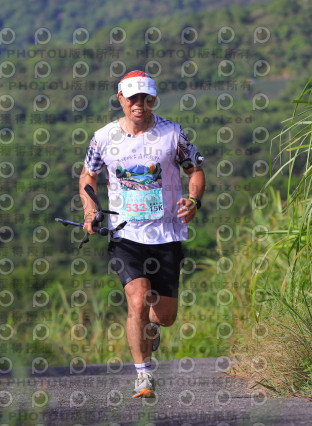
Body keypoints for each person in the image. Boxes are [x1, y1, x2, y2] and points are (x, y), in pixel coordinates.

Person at [79, 70, 205, 398]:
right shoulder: (103, 138)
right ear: (120, 98)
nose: (139, 104)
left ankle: (152, 328)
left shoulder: (172, 134)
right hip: (125, 234)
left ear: (154, 99)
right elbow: (88, 176)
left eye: (145, 98)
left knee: (165, 316)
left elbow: (195, 170)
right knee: (137, 300)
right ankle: (143, 376)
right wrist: (90, 211)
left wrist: (193, 200)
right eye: (132, 97)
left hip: (166, 234)